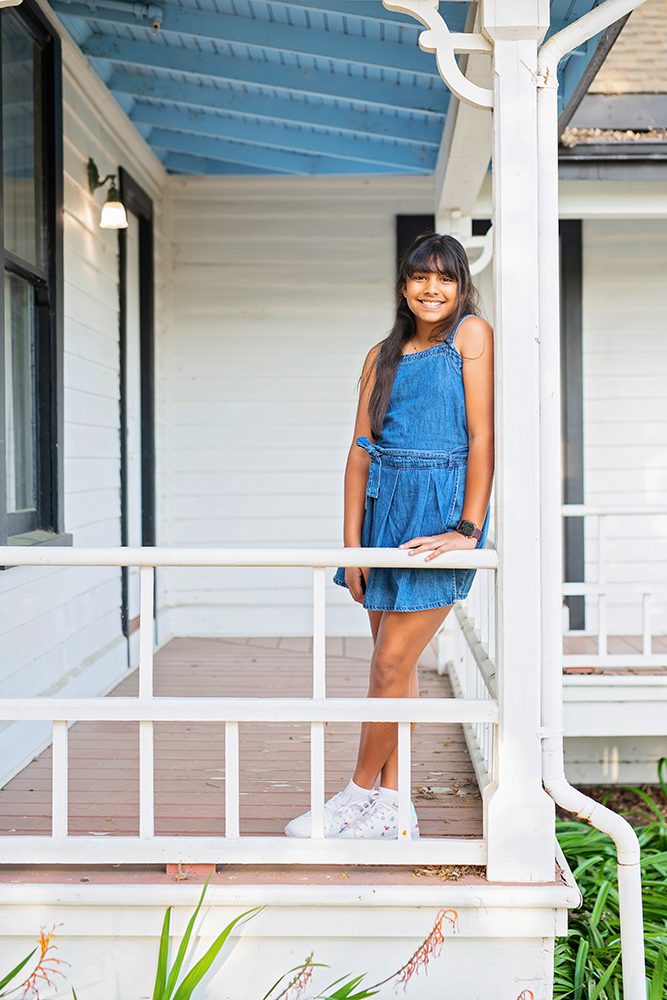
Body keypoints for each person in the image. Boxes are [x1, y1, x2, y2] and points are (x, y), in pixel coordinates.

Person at [285, 232, 494, 840]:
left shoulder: (471, 337)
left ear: (460, 287)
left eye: (445, 278)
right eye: (420, 277)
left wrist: (467, 529)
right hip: (384, 511)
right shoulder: (381, 355)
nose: (433, 289)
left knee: (389, 663)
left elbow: (482, 438)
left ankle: (354, 795)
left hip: (439, 512)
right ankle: (396, 807)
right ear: (403, 286)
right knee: (396, 674)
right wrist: (351, 547)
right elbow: (358, 450)